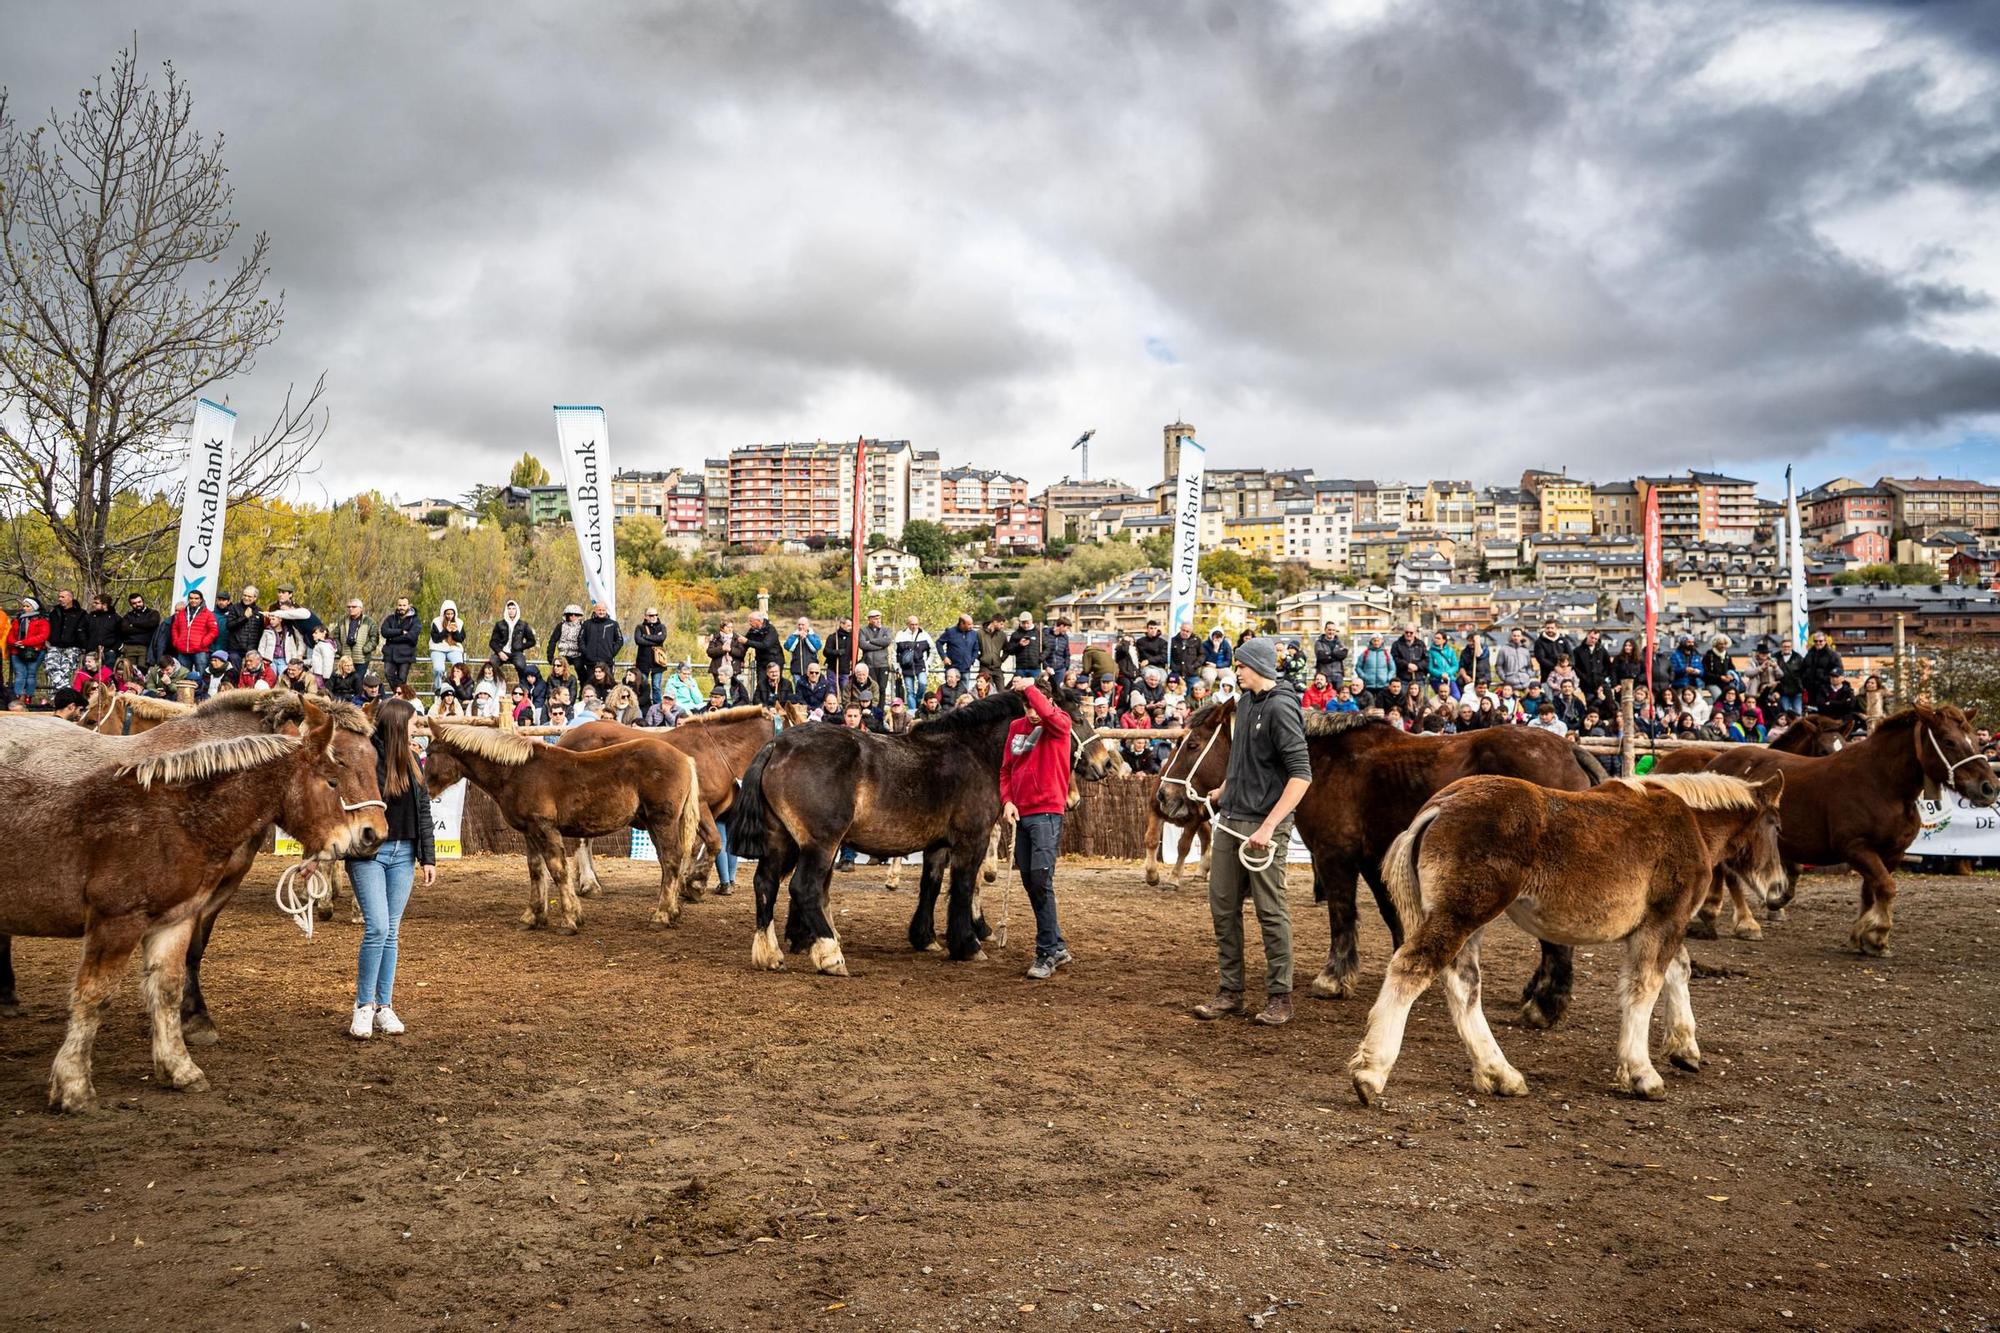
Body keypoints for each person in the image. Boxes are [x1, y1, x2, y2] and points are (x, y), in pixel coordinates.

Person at [1192, 636, 1311, 1027]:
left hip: (1263, 826)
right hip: (1230, 819)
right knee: (1222, 907)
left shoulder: (1281, 709)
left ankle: (1280, 996)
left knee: (1270, 912)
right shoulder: (1245, 704)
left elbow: (1301, 776)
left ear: (1256, 666)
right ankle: (1231, 992)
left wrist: (1270, 827)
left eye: (1240, 665)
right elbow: (1243, 757)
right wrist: (1226, 789)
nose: (1235, 671)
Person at [346, 696, 434, 1039]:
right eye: (414, 723)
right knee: (378, 928)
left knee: (391, 930)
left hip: (404, 852)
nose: (418, 728)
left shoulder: (414, 761)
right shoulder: (367, 759)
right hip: (369, 854)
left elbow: (423, 810)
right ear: (399, 724)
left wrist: (428, 857)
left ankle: (384, 1004)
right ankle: (363, 1005)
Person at [999, 676, 1075, 980]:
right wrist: (1007, 801)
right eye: (1027, 706)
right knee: (1033, 881)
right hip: (1022, 812)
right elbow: (1006, 769)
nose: (1032, 712)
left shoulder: (1059, 722)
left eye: (1035, 705)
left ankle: (1046, 953)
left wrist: (1029, 687)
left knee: (1041, 878)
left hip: (1047, 811)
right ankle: (1056, 945)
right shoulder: (1016, 727)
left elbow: (1046, 710)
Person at [169, 591, 220, 675]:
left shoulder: (208, 614)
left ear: (201, 600)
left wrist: (203, 643)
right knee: (183, 676)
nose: (193, 600)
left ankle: (201, 688)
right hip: (183, 650)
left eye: (196, 598)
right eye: (191, 598)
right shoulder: (182, 613)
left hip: (200, 650)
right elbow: (175, 628)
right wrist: (176, 642)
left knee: (201, 675)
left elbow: (214, 631)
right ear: (188, 599)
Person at [379, 596, 421, 689]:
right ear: (397, 606)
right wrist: (401, 632)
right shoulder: (390, 618)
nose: (401, 607)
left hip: (406, 654)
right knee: (388, 674)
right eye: (399, 605)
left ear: (409, 606)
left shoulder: (415, 620)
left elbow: (413, 636)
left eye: (404, 605)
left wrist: (393, 638)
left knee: (402, 679)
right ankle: (399, 695)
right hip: (390, 654)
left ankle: (400, 696)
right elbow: (384, 632)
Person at [894, 615, 936, 708]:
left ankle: (918, 700)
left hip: (920, 665)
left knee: (923, 684)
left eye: (916, 624)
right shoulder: (900, 635)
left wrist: (928, 663)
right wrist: (897, 666)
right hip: (906, 667)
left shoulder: (924, 635)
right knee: (909, 691)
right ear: (907, 624)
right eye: (912, 624)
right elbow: (895, 653)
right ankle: (912, 712)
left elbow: (933, 650)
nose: (914, 626)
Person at [488, 599, 535, 683]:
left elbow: (532, 641)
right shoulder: (499, 624)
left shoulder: (523, 625)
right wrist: (499, 652)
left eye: (513, 609)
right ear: (506, 610)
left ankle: (523, 687)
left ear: (517, 610)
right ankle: (493, 684)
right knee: (491, 664)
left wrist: (521, 646)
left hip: (516, 653)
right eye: (509, 608)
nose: (511, 611)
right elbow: (493, 642)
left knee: (521, 666)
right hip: (502, 651)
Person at [117, 592, 160, 672]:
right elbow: (125, 629)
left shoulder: (153, 613)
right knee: (129, 671)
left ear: (143, 601)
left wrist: (133, 624)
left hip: (145, 647)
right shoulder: (128, 616)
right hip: (129, 647)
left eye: (139, 602)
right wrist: (144, 628)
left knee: (142, 671)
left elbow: (152, 624)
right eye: (134, 603)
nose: (137, 604)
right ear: (131, 604)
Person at [633, 607, 669, 702]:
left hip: (658, 662)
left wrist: (646, 636)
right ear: (646, 616)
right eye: (651, 615)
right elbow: (638, 641)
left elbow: (661, 638)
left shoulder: (661, 627)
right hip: (643, 662)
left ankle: (657, 707)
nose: (654, 617)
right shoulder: (639, 627)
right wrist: (654, 641)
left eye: (656, 615)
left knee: (656, 686)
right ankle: (643, 705)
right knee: (643, 685)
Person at [427, 600, 468, 684]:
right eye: (447, 614)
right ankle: (438, 687)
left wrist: (455, 631)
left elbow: (460, 639)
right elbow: (435, 639)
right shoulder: (436, 622)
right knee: (439, 669)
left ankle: (457, 686)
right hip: (438, 648)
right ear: (444, 613)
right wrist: (446, 631)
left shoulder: (459, 622)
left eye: (451, 614)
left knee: (459, 668)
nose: (449, 616)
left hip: (454, 648)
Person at [337, 598, 379, 677]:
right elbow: (335, 636)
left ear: (360, 608)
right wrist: (340, 650)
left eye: (353, 607)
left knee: (358, 681)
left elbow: (374, 638)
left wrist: (365, 649)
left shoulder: (369, 621)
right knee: (345, 681)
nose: (350, 609)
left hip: (361, 658)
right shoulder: (342, 620)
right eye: (349, 607)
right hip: (346, 657)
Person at [551, 603, 588, 677]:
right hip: (563, 653)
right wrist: (550, 656)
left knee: (580, 667)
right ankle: (559, 685)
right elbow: (553, 640)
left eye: (576, 615)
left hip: (577, 654)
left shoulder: (583, 626)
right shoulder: (560, 626)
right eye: (571, 614)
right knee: (559, 667)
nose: (573, 616)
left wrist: (585, 654)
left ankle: (584, 686)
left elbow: (586, 640)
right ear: (567, 615)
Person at [783, 616, 823, 682]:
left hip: (811, 671)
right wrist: (796, 637)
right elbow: (788, 647)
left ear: (808, 625)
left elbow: (816, 647)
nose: (801, 627)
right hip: (796, 670)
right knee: (798, 690)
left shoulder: (814, 636)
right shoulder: (793, 636)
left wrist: (807, 636)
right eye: (799, 624)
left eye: (803, 625)